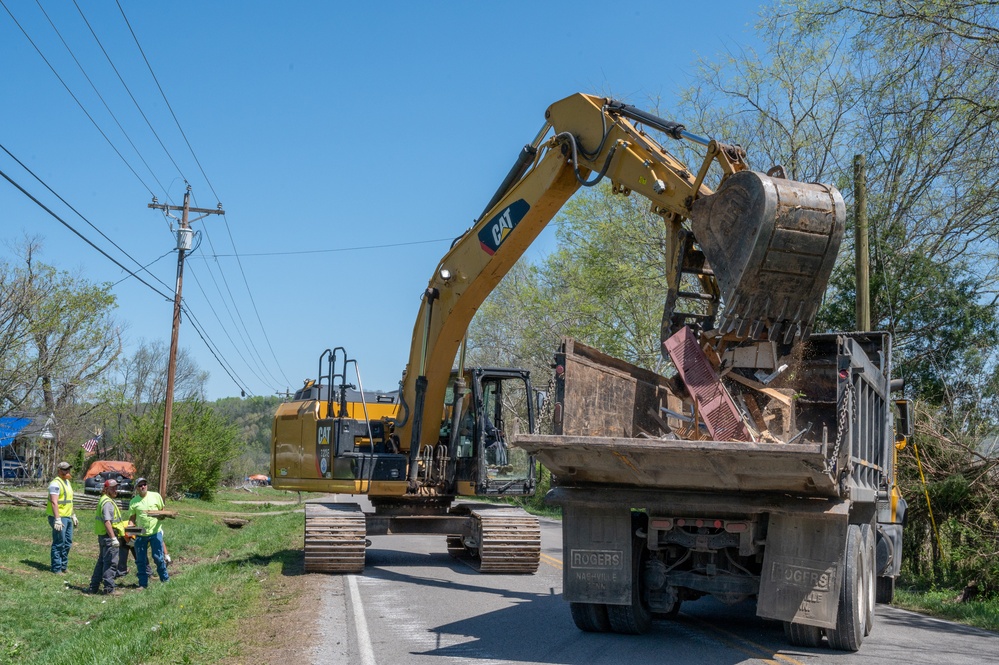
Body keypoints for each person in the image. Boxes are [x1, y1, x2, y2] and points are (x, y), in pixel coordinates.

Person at [129, 478, 169, 588]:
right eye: (140, 485)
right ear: (136, 488)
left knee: (158, 557)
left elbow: (163, 511)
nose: (143, 487)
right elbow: (132, 518)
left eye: (144, 484)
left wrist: (162, 516)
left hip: (155, 532)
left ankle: (165, 580)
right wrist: (130, 528)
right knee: (140, 560)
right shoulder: (134, 502)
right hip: (141, 534)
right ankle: (143, 584)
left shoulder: (156, 496)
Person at [88, 479, 123, 595]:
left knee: (102, 562)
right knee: (110, 563)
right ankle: (109, 589)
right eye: (112, 488)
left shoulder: (105, 500)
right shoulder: (107, 502)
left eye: (116, 487)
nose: (115, 490)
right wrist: (113, 538)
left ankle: (94, 587)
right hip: (109, 536)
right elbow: (107, 522)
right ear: (106, 489)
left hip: (103, 536)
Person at [46, 461, 78, 574]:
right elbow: (54, 503)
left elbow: (69, 501)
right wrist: (57, 519)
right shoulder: (55, 484)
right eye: (65, 469)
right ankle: (56, 568)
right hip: (59, 517)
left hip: (68, 516)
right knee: (59, 542)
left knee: (68, 542)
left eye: (68, 469)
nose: (67, 471)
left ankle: (63, 566)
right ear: (59, 470)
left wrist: (73, 515)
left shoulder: (67, 482)